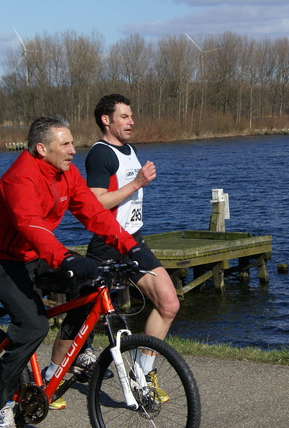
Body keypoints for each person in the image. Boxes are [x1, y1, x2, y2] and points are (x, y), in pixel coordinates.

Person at [0, 116, 157, 428]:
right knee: (33, 326)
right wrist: (66, 258)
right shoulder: (20, 178)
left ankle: (76, 352)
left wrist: (129, 246)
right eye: (66, 144)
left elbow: (94, 213)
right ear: (42, 148)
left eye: (73, 142)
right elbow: (30, 226)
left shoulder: (66, 174)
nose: (74, 150)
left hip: (35, 254)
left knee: (91, 285)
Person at [83, 94, 180, 385]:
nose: (131, 121)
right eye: (124, 116)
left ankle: (141, 370)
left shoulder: (129, 149)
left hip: (133, 240)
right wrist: (137, 182)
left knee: (168, 303)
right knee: (83, 316)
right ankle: (57, 370)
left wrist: (137, 182)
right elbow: (96, 203)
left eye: (131, 116)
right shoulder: (100, 154)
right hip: (108, 243)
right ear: (106, 120)